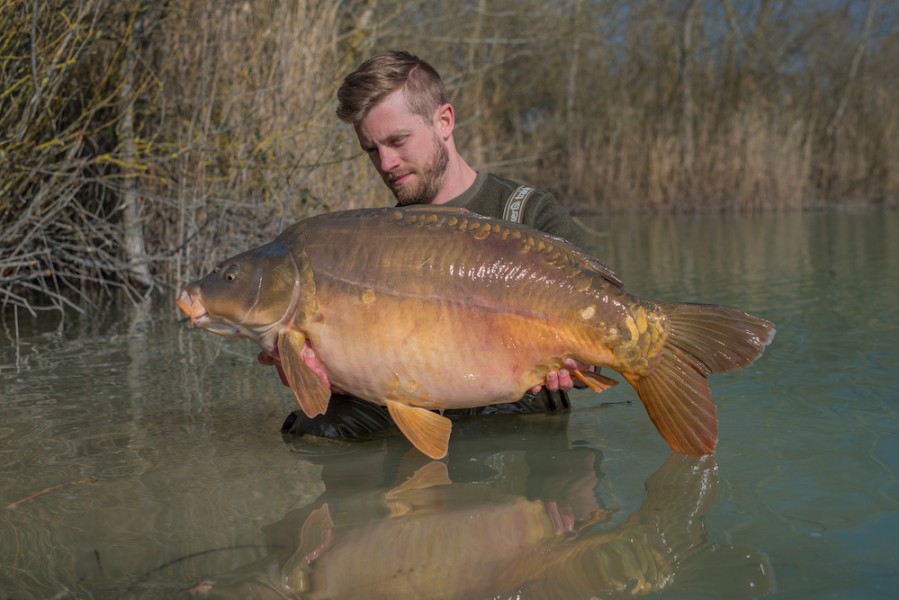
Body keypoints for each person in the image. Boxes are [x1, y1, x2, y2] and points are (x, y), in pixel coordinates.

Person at [274, 50, 593, 439]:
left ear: (444, 121)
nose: (386, 163)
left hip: (519, 427)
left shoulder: (529, 214)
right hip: (419, 416)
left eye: (398, 140)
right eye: (371, 149)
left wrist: (580, 368)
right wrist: (331, 372)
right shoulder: (374, 242)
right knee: (311, 430)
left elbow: (600, 344)